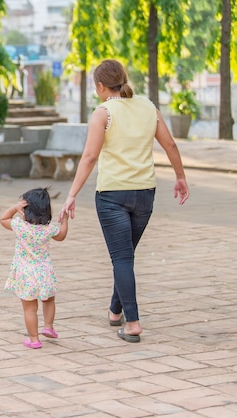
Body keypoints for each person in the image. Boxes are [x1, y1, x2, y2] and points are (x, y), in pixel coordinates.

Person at [59, 59, 189, 343]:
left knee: (121, 258)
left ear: (101, 86)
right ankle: (115, 311)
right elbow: (170, 144)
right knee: (125, 256)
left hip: (112, 196)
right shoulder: (147, 106)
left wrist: (71, 195)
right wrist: (180, 177)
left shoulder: (103, 113)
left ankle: (132, 323)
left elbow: (90, 157)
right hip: (145, 194)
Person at [0, 187, 69, 349]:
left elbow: (3, 219)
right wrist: (64, 220)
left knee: (30, 309)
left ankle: (34, 339)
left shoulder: (19, 226)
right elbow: (62, 235)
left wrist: (14, 208)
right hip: (44, 272)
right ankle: (49, 327)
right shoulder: (49, 229)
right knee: (49, 299)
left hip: (26, 274)